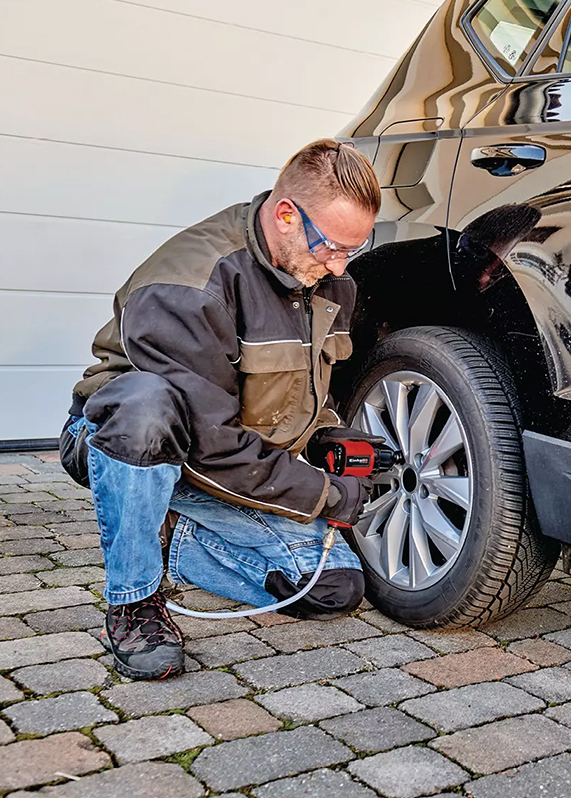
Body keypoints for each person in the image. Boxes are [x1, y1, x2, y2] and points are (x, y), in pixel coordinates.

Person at [59, 139, 382, 680]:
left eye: (354, 247)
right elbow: (211, 442)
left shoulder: (328, 282)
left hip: (225, 457)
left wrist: (329, 437)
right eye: (331, 246)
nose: (339, 265)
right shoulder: (188, 287)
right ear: (285, 215)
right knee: (146, 406)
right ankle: (134, 600)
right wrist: (325, 495)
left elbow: (301, 393)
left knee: (331, 588)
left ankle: (167, 531)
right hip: (127, 443)